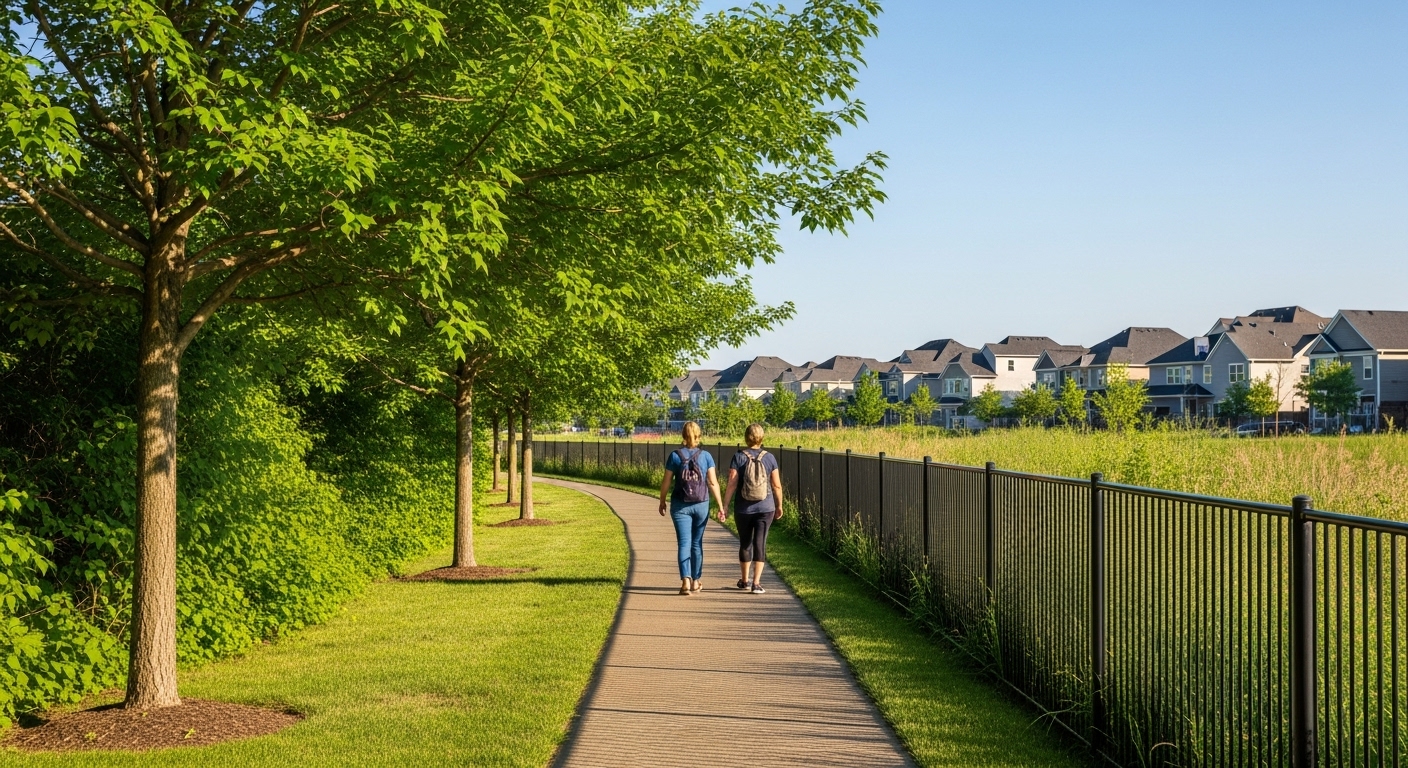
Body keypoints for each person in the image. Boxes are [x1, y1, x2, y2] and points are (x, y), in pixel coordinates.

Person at [658, 421, 725, 595]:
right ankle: (696, 581)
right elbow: (712, 482)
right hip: (701, 504)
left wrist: (662, 500)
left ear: (682, 435)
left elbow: (666, 481)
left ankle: (685, 582)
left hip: (680, 505)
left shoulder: (675, 456)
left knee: (684, 543)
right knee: (696, 543)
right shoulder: (706, 456)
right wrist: (720, 505)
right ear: (699, 436)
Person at [722, 422, 783, 594]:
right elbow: (776, 485)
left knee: (745, 543)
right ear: (761, 438)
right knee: (760, 542)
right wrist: (779, 505)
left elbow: (732, 483)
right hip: (766, 507)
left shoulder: (738, 457)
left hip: (743, 508)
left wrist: (725, 505)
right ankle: (756, 583)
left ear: (746, 438)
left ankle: (744, 580)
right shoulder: (769, 458)